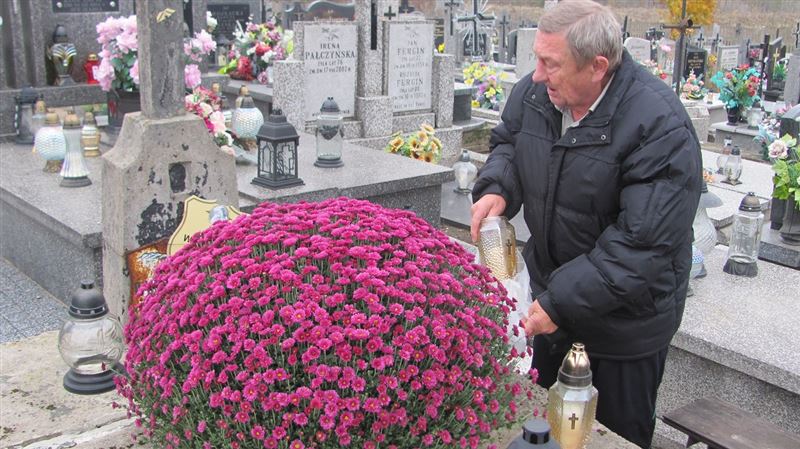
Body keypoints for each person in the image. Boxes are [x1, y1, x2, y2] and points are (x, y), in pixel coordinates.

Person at [469, 1, 701, 447]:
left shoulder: (659, 127)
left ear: (597, 67)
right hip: (551, 300)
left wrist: (559, 303)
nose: (537, 75)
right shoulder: (536, 94)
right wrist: (499, 185)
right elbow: (509, 143)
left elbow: (640, 245)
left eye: (551, 64)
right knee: (538, 430)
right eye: (538, 59)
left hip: (623, 329)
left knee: (608, 438)